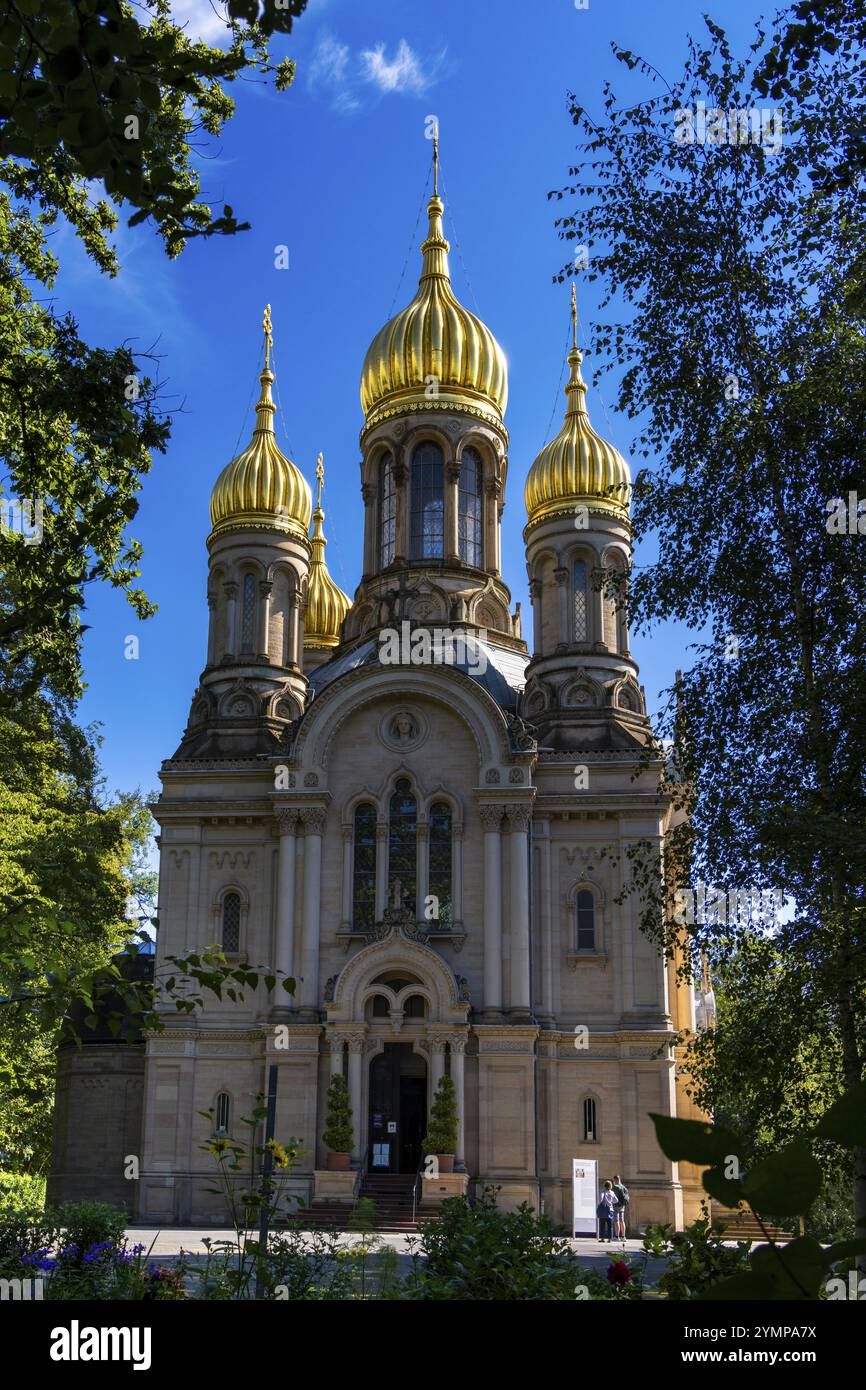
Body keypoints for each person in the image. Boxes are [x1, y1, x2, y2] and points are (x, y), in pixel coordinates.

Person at [611, 1173, 630, 1239]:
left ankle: (617, 1236)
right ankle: (623, 1236)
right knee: (622, 1220)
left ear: (615, 1180)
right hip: (623, 1205)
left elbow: (613, 1197)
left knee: (616, 1221)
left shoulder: (615, 1187)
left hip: (616, 1205)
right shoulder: (624, 1187)